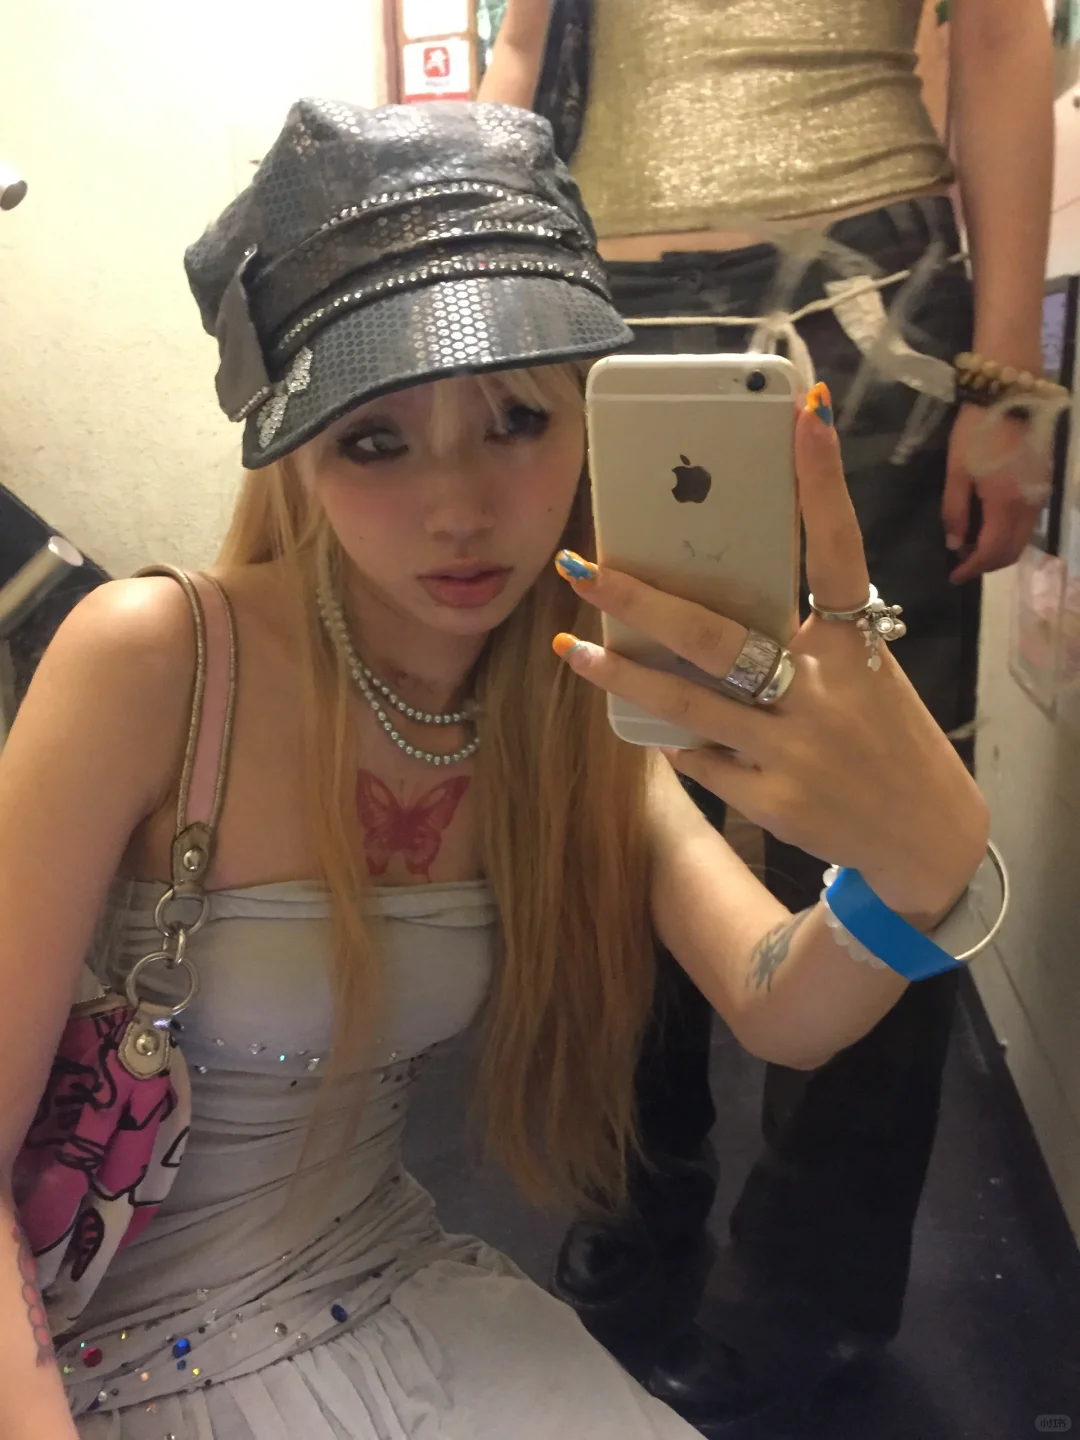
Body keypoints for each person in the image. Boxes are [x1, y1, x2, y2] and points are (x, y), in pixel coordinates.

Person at [0, 99, 992, 1440]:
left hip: (384, 1299)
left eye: (516, 418)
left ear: (585, 416)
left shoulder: (570, 706)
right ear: (296, 460)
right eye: (375, 438)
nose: (460, 508)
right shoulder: (159, 659)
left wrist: (917, 870)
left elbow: (779, 1005)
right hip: (79, 1358)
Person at [478, 0, 1054, 1426]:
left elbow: (999, 42)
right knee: (609, 776)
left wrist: (1011, 387)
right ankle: (633, 1184)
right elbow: (515, 58)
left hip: (867, 308)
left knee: (868, 823)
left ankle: (811, 1288)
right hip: (589, 304)